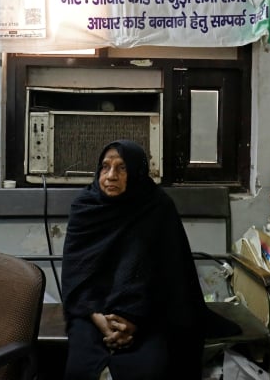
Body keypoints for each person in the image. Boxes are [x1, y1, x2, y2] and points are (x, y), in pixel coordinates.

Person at [61, 139, 208, 380]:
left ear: (137, 172)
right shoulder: (85, 207)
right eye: (105, 167)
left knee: (149, 370)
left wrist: (134, 322)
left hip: (150, 314)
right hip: (91, 311)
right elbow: (75, 276)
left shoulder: (157, 207)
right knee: (80, 370)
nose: (111, 176)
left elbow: (171, 277)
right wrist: (99, 320)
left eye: (122, 168)